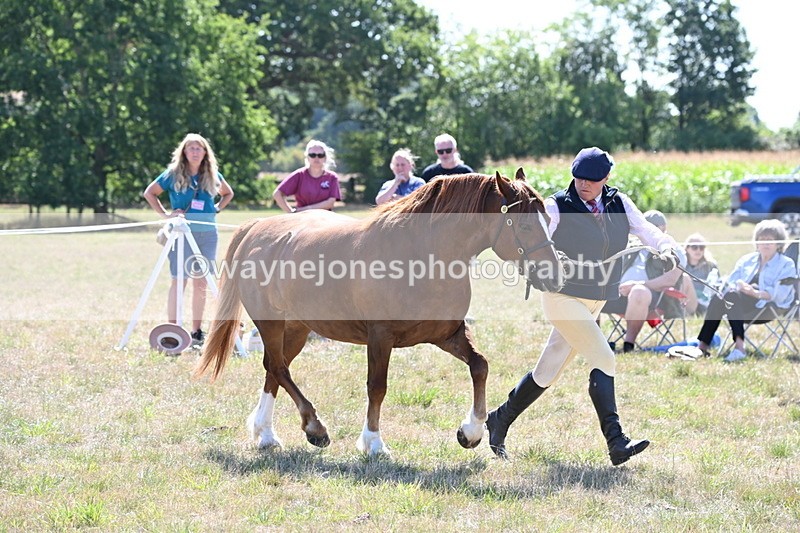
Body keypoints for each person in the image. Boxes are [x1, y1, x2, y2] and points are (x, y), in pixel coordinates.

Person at [485, 146, 682, 465]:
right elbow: (536, 240)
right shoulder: (556, 206)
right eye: (578, 178)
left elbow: (646, 230)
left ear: (606, 178)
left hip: (596, 300)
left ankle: (499, 419)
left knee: (547, 371)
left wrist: (668, 248)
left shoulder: (620, 203)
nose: (583, 184)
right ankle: (617, 442)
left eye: (591, 180)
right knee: (604, 357)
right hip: (562, 297)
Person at [143, 133, 234, 347]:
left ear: (205, 152)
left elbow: (228, 193)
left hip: (208, 234)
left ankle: (196, 332)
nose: (194, 152)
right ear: (184, 151)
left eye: (198, 148)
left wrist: (216, 209)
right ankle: (172, 330)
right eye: (191, 148)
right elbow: (150, 193)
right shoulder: (172, 174)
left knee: (201, 282)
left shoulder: (213, 174)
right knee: (179, 280)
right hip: (181, 233)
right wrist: (166, 215)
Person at [696, 219, 795, 362]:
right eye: (762, 240)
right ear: (757, 242)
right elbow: (731, 282)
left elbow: (781, 294)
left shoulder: (786, 264)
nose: (765, 243)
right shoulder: (747, 260)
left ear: (779, 243)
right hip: (739, 303)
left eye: (770, 240)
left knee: (731, 296)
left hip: (767, 307)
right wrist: (740, 285)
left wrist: (755, 293)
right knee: (720, 297)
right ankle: (702, 347)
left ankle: (739, 348)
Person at [606, 210, 697, 352]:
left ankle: (628, 345)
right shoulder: (631, 246)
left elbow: (670, 279)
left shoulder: (673, 251)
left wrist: (636, 285)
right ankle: (597, 343)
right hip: (620, 293)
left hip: (655, 298)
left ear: (663, 228)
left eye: (652, 228)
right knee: (591, 292)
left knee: (639, 292)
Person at [273, 140, 341, 213]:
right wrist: (291, 212)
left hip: (325, 217)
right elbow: (277, 194)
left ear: (325, 158)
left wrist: (305, 209)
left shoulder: (332, 177)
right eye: (312, 155)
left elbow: (330, 203)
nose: (316, 158)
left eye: (320, 155)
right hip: (302, 217)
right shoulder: (299, 175)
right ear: (307, 157)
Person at [683, 233, 719, 316]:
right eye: (694, 247)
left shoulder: (711, 266)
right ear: (687, 248)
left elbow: (717, 286)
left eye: (701, 247)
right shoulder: (681, 265)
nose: (698, 250)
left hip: (705, 303)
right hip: (685, 300)